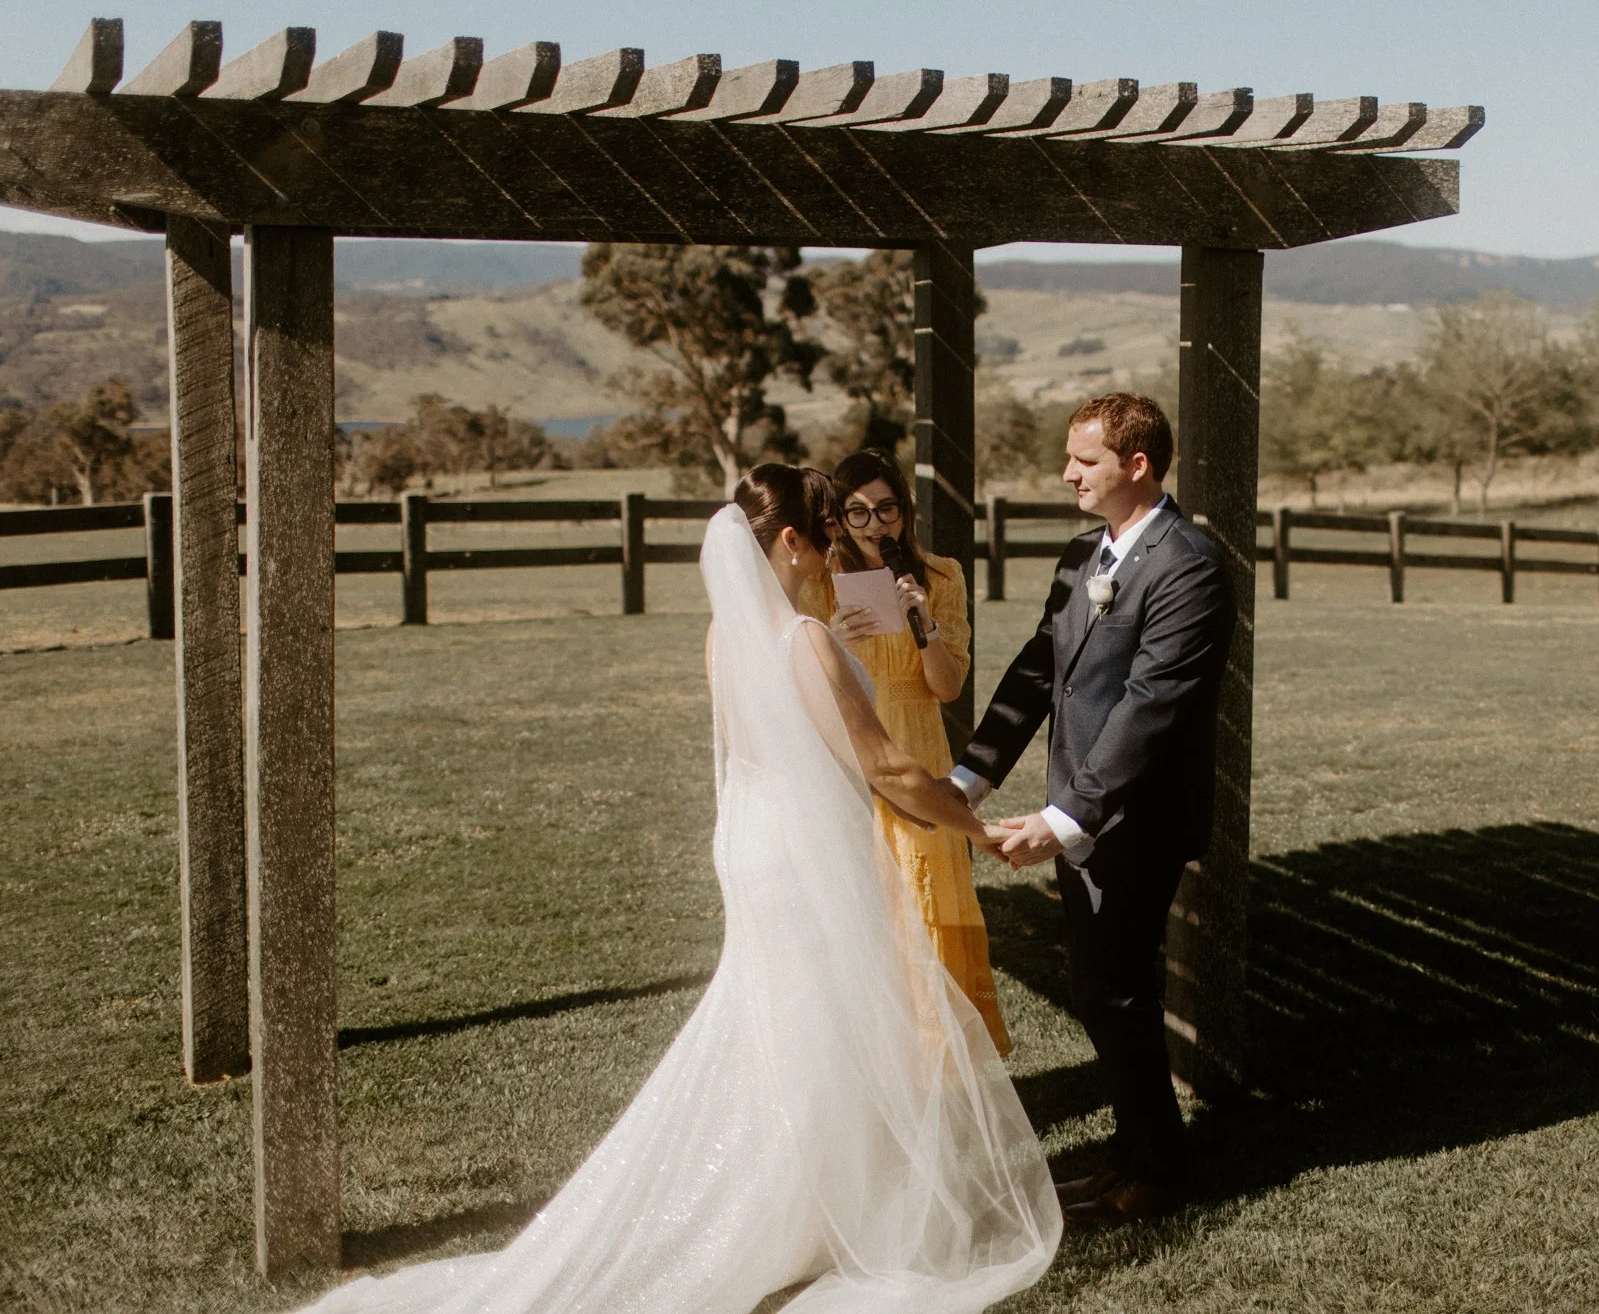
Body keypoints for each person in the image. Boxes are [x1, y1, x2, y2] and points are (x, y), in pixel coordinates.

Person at [297, 464, 1059, 1314]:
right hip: (806, 850)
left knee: (795, 1023)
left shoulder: (725, 635)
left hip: (756, 842)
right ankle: (801, 1209)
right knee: (821, 1017)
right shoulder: (803, 640)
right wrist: (977, 826)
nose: (838, 543)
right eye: (825, 528)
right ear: (791, 543)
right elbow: (883, 765)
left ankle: (812, 1204)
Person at [950, 393, 1234, 1229]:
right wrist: (969, 777)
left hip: (1135, 818)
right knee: (1102, 989)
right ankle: (1132, 1153)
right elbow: (1041, 669)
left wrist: (1066, 816)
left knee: (1114, 991)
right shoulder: (1085, 554)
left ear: (1135, 465)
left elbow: (1152, 704)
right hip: (1084, 811)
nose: (1067, 473)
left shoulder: (1189, 564)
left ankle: (1157, 1169)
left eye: (1084, 459)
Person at [801, 449, 1011, 1055]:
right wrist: (831, 641)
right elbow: (799, 678)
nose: (874, 526)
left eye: (885, 508)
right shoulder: (822, 583)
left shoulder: (941, 576)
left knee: (925, 908)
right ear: (839, 519)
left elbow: (947, 688)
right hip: (850, 759)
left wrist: (926, 625)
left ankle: (939, 1065)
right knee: (863, 909)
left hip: (918, 752)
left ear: (905, 510)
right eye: (857, 513)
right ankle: (873, 1060)